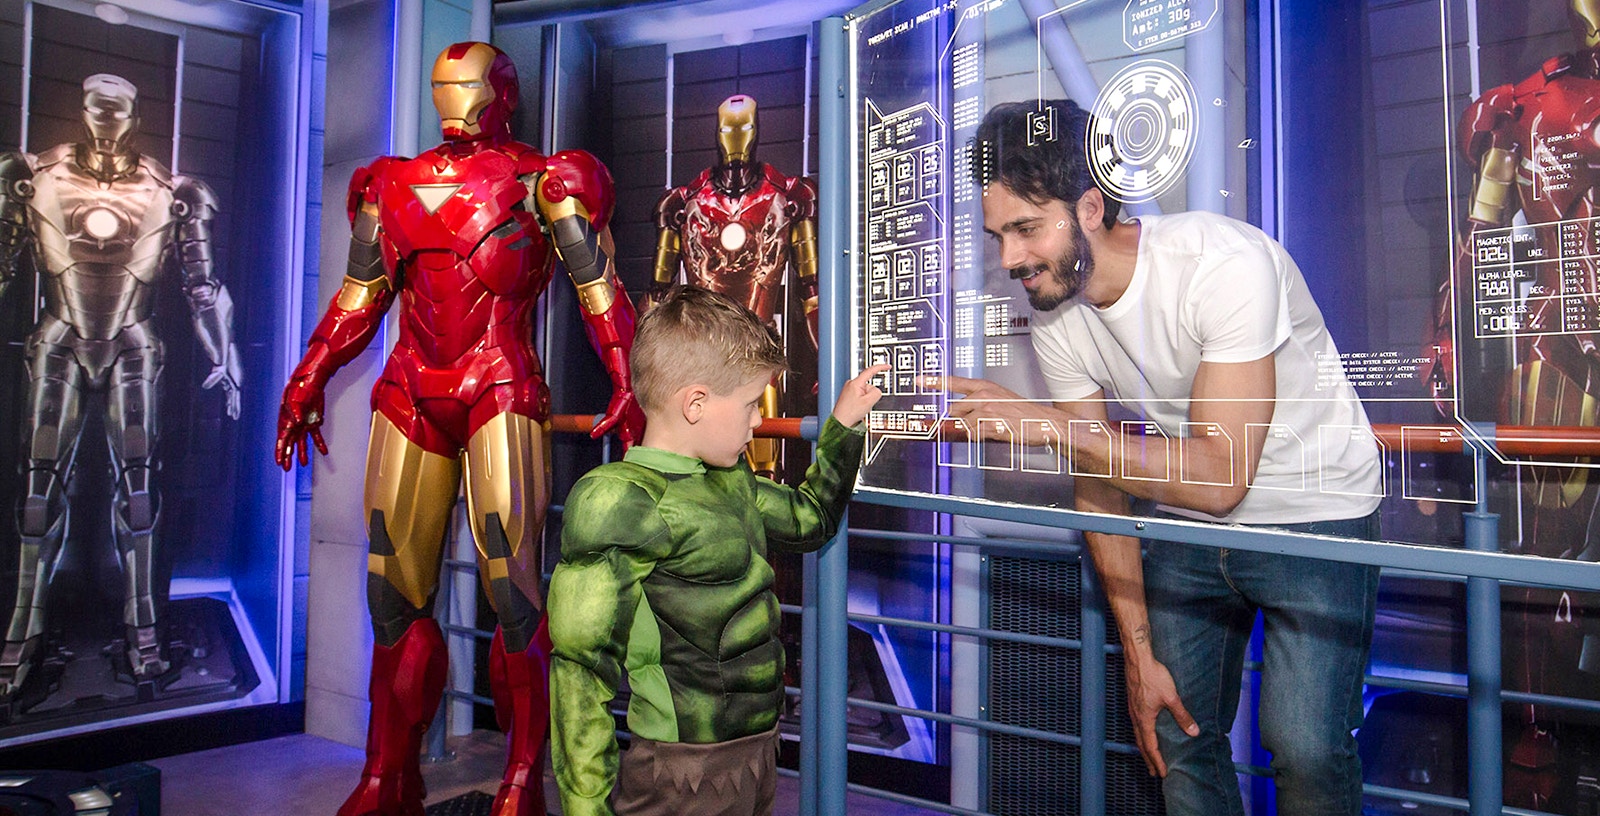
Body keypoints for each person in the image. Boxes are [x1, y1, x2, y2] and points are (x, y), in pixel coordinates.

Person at [945, 98, 1383, 815]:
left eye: (1025, 229)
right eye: (998, 235)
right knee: (1176, 730)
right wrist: (1138, 655)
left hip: (1317, 510)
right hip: (1185, 519)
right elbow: (1101, 483)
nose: (1010, 260)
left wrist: (1052, 428)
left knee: (1304, 746)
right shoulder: (1058, 308)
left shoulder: (1224, 264)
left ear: (1090, 207)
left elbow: (1220, 479)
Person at [273, 42, 644, 816]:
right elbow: (359, 294)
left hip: (500, 388)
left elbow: (596, 287)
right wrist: (307, 377)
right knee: (391, 595)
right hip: (410, 391)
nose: (454, 97)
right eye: (445, 84)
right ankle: (388, 771)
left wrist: (627, 378)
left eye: (468, 84)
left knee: (514, 590)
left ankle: (521, 777)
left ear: (499, 92)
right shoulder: (391, 181)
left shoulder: (546, 183)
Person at [547, 285, 887, 816]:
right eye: (751, 403)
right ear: (696, 403)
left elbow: (811, 519)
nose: (758, 421)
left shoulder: (733, 481)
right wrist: (585, 808)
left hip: (758, 754)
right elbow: (580, 673)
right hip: (677, 772)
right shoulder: (617, 501)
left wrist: (842, 427)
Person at [0, 73, 241, 697]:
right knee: (37, 488)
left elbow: (201, 284)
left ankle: (144, 630)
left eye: (119, 109)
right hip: (58, 335)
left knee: (139, 490)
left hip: (135, 340)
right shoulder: (33, 174)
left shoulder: (174, 188)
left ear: (134, 115)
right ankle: (22, 630)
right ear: (82, 111)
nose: (107, 120)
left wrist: (224, 351)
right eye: (97, 108)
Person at [652, 93, 819, 479]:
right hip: (696, 361)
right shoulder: (683, 202)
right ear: (717, 132)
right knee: (692, 472)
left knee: (765, 471)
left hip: (759, 358)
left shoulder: (789, 195)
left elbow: (811, 291)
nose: (736, 139)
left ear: (756, 130)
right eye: (728, 128)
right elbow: (657, 298)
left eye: (743, 128)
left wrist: (821, 367)